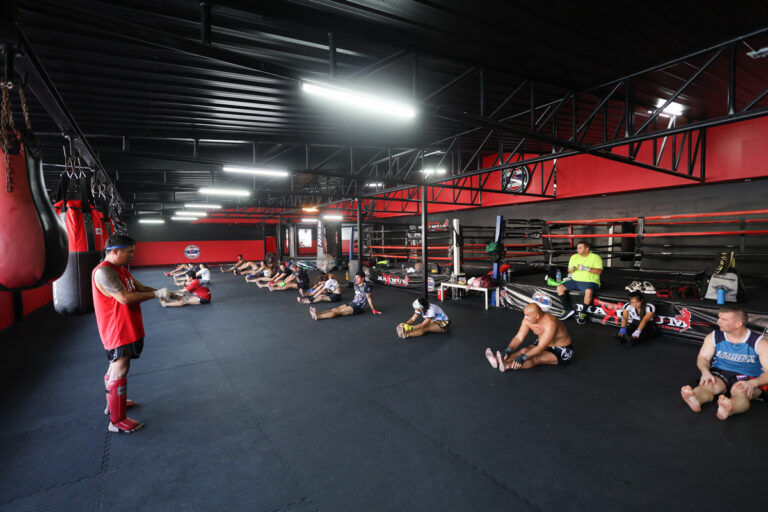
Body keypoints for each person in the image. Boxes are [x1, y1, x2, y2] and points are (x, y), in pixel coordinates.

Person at [92, 234, 171, 433]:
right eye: (130, 251)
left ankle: (114, 403)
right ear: (115, 251)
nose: (133, 255)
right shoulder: (104, 272)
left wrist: (167, 292)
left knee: (115, 367)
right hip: (117, 329)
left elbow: (140, 288)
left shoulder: (121, 269)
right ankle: (116, 420)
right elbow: (125, 298)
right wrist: (157, 294)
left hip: (127, 325)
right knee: (120, 368)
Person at [680, 306, 767, 420]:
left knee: (741, 392)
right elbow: (703, 357)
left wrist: (753, 383)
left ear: (738, 324)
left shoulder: (759, 343)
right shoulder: (714, 336)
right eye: (719, 318)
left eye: (723, 319)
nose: (718, 322)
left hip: (748, 377)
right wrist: (705, 372)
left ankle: (730, 408)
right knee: (709, 384)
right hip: (721, 372)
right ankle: (695, 398)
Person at [485, 303, 573, 372]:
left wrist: (523, 357)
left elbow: (540, 348)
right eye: (524, 314)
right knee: (524, 350)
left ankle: (507, 365)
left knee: (535, 358)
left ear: (537, 316)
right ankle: (499, 361)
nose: (525, 317)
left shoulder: (550, 323)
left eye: (527, 315)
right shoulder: (527, 321)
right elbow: (519, 337)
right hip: (543, 343)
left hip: (561, 350)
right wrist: (508, 349)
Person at [557, 240, 603, 325]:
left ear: (586, 249)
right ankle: (567, 309)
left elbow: (599, 271)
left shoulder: (596, 257)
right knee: (560, 288)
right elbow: (568, 270)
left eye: (580, 248)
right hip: (575, 280)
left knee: (588, 291)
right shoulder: (574, 257)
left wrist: (586, 269)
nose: (577, 249)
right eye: (577, 248)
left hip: (590, 281)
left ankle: (583, 313)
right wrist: (571, 269)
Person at [310, 271, 381, 320]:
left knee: (338, 312)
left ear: (363, 278)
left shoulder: (366, 286)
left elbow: (369, 298)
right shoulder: (356, 284)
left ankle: (318, 317)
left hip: (358, 307)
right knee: (335, 309)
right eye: (356, 277)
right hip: (352, 303)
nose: (356, 279)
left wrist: (373, 309)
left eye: (358, 278)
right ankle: (318, 313)